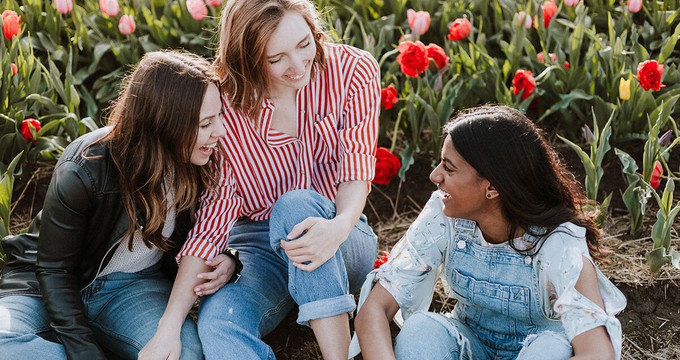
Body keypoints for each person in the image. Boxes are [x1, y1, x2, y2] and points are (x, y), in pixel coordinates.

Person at [141, 1, 380, 359]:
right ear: (247, 59)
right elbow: (214, 218)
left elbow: (356, 167)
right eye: (276, 59)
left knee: (295, 206)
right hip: (260, 247)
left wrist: (340, 225)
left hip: (340, 232)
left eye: (304, 45)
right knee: (219, 325)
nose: (298, 66)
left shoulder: (352, 70)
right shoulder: (226, 106)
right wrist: (169, 326)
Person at [0, 50, 235, 359]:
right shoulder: (85, 168)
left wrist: (229, 258)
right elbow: (54, 270)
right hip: (44, 286)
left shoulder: (204, 162)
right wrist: (85, 353)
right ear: (165, 124)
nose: (220, 130)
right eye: (206, 123)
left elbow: (216, 226)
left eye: (219, 116)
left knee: (185, 354)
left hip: (131, 289)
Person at [353, 105, 627, 360]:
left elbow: (597, 353)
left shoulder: (559, 242)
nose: (435, 176)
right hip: (470, 345)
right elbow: (375, 309)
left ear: (493, 188)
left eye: (448, 167)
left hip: (537, 350)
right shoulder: (444, 216)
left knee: (550, 349)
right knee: (421, 331)